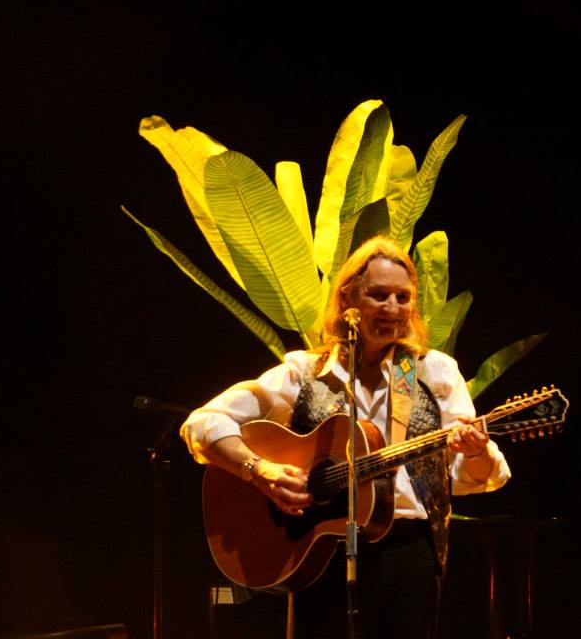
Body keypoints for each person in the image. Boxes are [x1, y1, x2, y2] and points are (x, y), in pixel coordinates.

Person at [180, 236, 511, 638]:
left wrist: (473, 451)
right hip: (320, 550)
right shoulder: (304, 372)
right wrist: (260, 470)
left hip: (410, 552)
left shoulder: (433, 372)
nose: (393, 308)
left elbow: (467, 477)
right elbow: (203, 422)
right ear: (349, 301)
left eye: (403, 297)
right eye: (378, 295)